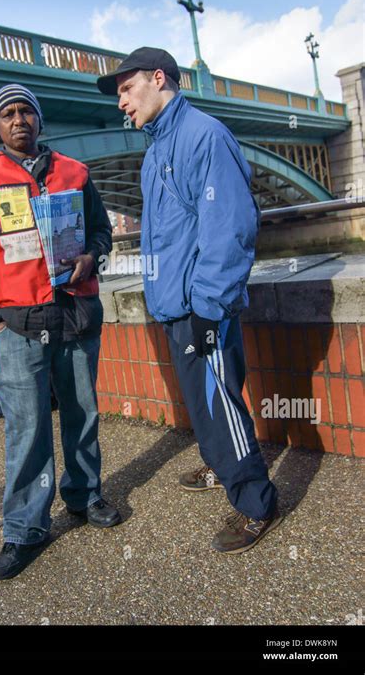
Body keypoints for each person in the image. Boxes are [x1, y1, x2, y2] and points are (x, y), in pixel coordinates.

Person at [97, 49, 282, 554]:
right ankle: (222, 466)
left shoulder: (203, 135)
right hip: (177, 306)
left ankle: (255, 502)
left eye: (126, 89)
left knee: (221, 400)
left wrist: (208, 307)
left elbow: (229, 230)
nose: (121, 103)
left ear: (159, 79)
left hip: (203, 307)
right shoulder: (158, 148)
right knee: (204, 404)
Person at [0, 83, 121, 580]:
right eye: (8, 114)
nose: (19, 119)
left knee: (82, 414)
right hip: (18, 325)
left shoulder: (74, 172)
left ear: (39, 120)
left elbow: (102, 232)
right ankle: (25, 528)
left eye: (27, 111)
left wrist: (93, 254)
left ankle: (84, 495)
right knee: (26, 428)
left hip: (75, 315)